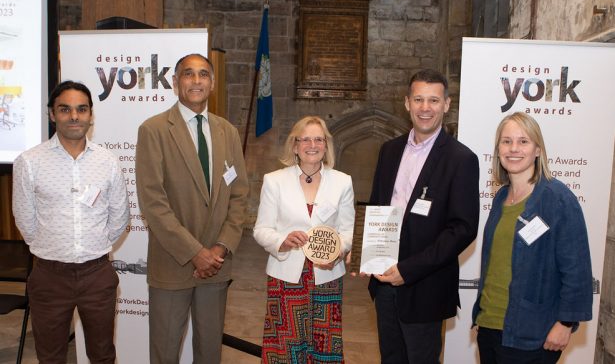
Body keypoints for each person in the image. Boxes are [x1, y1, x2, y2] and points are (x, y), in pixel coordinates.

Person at [135, 53, 248, 364]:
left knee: (210, 352)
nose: (196, 81)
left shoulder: (228, 132)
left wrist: (221, 248)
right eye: (188, 74)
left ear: (211, 83)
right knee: (165, 352)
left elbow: (239, 195)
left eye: (202, 75)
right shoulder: (154, 130)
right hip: (173, 264)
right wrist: (196, 253)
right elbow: (153, 202)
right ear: (175, 83)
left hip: (217, 264)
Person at [12, 80, 130, 363]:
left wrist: (94, 245)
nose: (74, 116)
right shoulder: (29, 162)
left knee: (103, 355)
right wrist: (54, 249)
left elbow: (120, 216)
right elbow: (25, 219)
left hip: (97, 274)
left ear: (91, 115)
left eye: (82, 109)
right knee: (50, 356)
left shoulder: (108, 161)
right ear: (52, 114)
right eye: (65, 109)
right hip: (49, 276)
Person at [366, 69, 480, 363]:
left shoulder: (461, 159)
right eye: (418, 99)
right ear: (407, 103)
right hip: (384, 282)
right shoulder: (388, 151)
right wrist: (367, 253)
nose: (425, 108)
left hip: (425, 286)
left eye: (433, 100)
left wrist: (410, 269)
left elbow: (463, 229)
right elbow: (378, 207)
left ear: (446, 104)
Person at [472, 112, 592, 363]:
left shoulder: (557, 199)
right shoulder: (500, 199)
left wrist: (566, 322)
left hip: (532, 335)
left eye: (523, 141)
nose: (514, 148)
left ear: (538, 150)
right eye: (506, 141)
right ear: (498, 149)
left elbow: (577, 270)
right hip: (490, 326)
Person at [253, 116, 355, 363]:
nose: (312, 144)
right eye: (305, 139)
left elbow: (349, 232)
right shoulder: (274, 180)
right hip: (286, 277)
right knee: (285, 345)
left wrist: (336, 253)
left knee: (324, 342)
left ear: (326, 145)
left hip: (326, 276)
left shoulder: (342, 181)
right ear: (295, 145)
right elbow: (261, 229)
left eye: (318, 139)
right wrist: (283, 240)